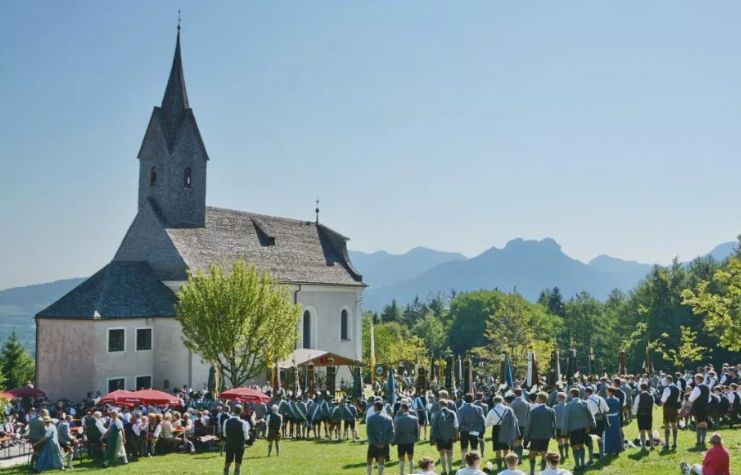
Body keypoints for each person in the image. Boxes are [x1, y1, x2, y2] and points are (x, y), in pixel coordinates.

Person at [560, 388, 595, 471]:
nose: (568, 395)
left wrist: (564, 432)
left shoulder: (568, 405)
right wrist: (591, 426)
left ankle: (577, 465)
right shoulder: (585, 403)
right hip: (584, 428)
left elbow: (565, 420)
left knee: (575, 447)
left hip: (573, 430)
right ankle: (582, 463)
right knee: (581, 445)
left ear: (572, 394)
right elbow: (591, 416)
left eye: (569, 393)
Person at [485, 395, 520, 472]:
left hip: (496, 429)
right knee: (506, 448)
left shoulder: (492, 410)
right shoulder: (508, 409)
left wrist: (493, 422)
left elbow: (486, 424)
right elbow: (515, 420)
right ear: (502, 400)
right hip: (506, 429)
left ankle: (499, 467)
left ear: (494, 401)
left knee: (497, 448)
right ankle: (506, 466)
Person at [524, 392, 555, 475]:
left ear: (539, 399)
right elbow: (553, 424)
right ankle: (543, 471)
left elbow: (529, 424)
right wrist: (552, 433)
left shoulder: (533, 410)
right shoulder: (551, 410)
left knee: (532, 453)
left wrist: (526, 436)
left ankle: (532, 472)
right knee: (544, 453)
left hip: (535, 435)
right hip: (546, 435)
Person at [456, 393, 485, 470]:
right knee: (474, 447)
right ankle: (475, 464)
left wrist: (459, 429)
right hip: (474, 430)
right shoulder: (479, 408)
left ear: (464, 399)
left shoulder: (461, 409)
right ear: (473, 399)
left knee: (464, 448)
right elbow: (482, 420)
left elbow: (459, 421)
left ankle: (463, 464)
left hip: (464, 430)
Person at [366, 400, 395, 475]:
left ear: (375, 407)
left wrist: (375, 443)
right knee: (381, 460)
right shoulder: (389, 418)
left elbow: (369, 433)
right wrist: (385, 443)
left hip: (373, 444)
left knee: (369, 460)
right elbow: (392, 433)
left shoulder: (370, 418)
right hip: (384, 444)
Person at [431, 399, 458, 475]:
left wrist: (434, 438)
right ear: (447, 405)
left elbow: (434, 427)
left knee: (442, 453)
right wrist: (456, 436)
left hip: (439, 437)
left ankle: (444, 470)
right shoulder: (452, 413)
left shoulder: (436, 414)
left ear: (439, 405)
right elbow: (456, 426)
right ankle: (450, 469)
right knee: (449, 453)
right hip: (449, 436)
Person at [223, 405, 251, 475]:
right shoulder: (244, 423)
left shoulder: (226, 421)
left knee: (227, 463)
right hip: (240, 445)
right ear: (241, 412)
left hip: (229, 444)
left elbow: (224, 434)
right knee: (238, 464)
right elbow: (247, 437)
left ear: (233, 410)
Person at [393, 402, 419, 475]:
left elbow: (396, 431)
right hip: (411, 440)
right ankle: (411, 473)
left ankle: (401, 473)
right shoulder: (415, 418)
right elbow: (416, 430)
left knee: (401, 459)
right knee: (411, 459)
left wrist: (395, 441)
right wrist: (416, 438)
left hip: (401, 441)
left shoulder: (397, 419)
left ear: (402, 409)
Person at [584, 386, 608, 462]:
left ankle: (591, 459)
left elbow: (586, 415)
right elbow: (607, 409)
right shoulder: (601, 398)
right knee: (599, 438)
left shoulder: (587, 401)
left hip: (592, 422)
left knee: (590, 439)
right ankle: (601, 457)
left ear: (587, 393)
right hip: (601, 421)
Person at [689, 374, 711, 448]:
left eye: (695, 379)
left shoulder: (697, 388)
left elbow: (691, 399)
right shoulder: (707, 387)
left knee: (698, 424)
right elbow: (709, 399)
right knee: (704, 424)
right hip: (705, 408)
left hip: (698, 408)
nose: (695, 381)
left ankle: (698, 441)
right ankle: (703, 441)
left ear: (698, 379)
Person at [660, 375, 681, 450]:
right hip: (674, 408)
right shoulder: (677, 388)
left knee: (667, 425)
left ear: (668, 380)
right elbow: (678, 400)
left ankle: (667, 443)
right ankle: (675, 443)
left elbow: (663, 400)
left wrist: (663, 404)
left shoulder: (667, 388)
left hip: (667, 408)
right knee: (674, 424)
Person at [510, 388, 531, 464]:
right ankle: (520, 459)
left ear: (515, 394)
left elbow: (511, 416)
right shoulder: (527, 403)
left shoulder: (513, 403)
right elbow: (529, 415)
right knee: (521, 442)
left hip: (516, 425)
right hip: (524, 425)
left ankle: (517, 459)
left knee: (516, 443)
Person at [632, 383, 654, 451]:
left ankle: (643, 446)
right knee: (649, 430)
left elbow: (635, 407)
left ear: (641, 388)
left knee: (642, 431)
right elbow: (652, 405)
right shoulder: (651, 396)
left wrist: (635, 413)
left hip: (641, 415)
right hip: (648, 415)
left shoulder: (638, 396)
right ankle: (652, 446)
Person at [602, 387, 623, 456]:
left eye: (607, 391)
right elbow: (618, 410)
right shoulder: (617, 399)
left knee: (609, 435)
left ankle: (609, 450)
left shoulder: (607, 400)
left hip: (609, 418)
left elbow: (605, 410)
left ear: (610, 392)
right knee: (616, 434)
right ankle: (617, 450)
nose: (606, 392)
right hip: (616, 418)